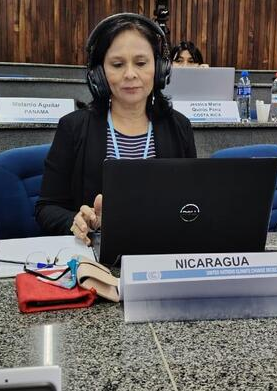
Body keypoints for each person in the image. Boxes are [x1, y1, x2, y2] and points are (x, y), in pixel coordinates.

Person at [35, 13, 197, 244]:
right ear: (99, 73)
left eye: (141, 63)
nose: (130, 74)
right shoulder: (73, 127)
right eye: (117, 64)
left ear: (160, 69)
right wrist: (75, 220)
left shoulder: (179, 127)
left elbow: (191, 203)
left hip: (162, 251)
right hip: (96, 256)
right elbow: (46, 207)